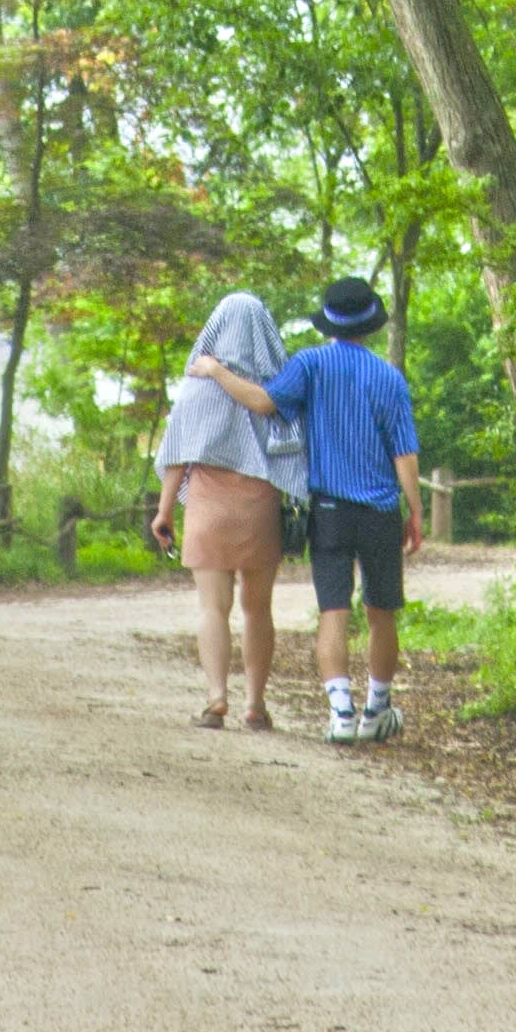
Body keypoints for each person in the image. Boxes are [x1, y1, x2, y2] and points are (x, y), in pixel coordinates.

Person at [206, 273, 423, 742]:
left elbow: (262, 403)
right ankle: (376, 713)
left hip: (328, 509)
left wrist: (217, 371)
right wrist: (417, 512)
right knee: (382, 611)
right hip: (380, 511)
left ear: (329, 322)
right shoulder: (389, 378)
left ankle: (341, 714)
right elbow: (404, 453)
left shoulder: (309, 365)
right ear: (371, 325)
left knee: (333, 612)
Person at [144, 291, 305, 728]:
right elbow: (295, 451)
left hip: (208, 507)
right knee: (258, 609)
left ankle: (216, 698)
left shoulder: (198, 384)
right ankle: (256, 705)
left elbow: (177, 453)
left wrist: (164, 513)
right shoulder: (277, 385)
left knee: (211, 608)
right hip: (260, 506)